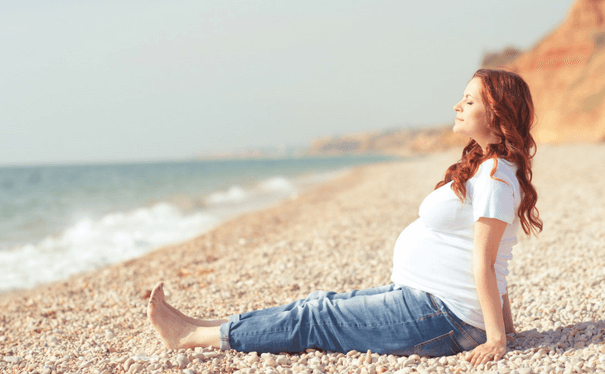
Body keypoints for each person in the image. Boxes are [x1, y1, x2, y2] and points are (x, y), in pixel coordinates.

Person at [147, 68, 542, 365]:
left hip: (443, 319)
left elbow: (487, 262)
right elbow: (500, 258)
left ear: (495, 116)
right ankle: (206, 326)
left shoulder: (494, 178)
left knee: (316, 318)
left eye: (469, 101)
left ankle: (190, 337)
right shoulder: (488, 168)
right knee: (317, 303)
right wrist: (504, 326)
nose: (458, 105)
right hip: (427, 304)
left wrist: (496, 339)